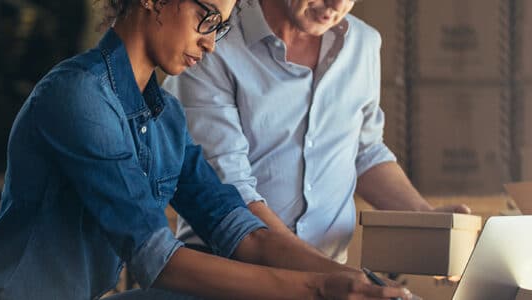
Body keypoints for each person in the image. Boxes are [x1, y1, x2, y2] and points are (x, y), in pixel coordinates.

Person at [0, 0, 412, 299]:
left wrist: (356, 281)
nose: (210, 42)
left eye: (222, 27)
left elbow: (240, 231)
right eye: (205, 17)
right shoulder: (80, 96)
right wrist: (318, 288)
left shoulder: (163, 116)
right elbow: (155, 259)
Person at [163, 0, 471, 262]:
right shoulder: (212, 43)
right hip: (227, 274)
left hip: (326, 276)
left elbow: (363, 153)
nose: (337, 6)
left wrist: (428, 221)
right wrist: (324, 277)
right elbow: (228, 191)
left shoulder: (363, 44)